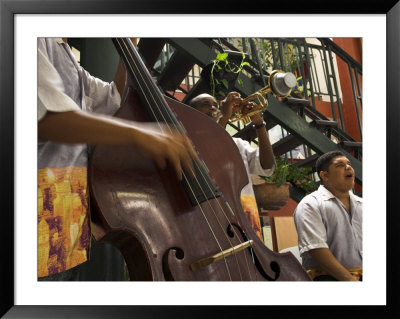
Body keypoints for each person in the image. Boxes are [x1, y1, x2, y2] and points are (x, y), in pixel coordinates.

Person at [37, 38, 195, 280]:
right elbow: (48, 117)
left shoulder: (64, 52)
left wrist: (128, 45)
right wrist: (139, 135)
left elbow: (112, 98)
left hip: (65, 238)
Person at [188, 92, 276, 240]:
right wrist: (225, 116)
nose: (212, 108)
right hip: (214, 220)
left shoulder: (238, 144)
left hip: (247, 217)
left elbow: (267, 167)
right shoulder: (189, 142)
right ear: (191, 114)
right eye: (205, 104)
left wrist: (259, 123)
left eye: (215, 105)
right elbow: (208, 153)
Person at [293, 150, 362, 281]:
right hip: (330, 279)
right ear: (325, 175)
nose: (348, 167)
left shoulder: (363, 204)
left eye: (348, 163)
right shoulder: (310, 204)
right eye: (340, 165)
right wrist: (351, 282)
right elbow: (317, 250)